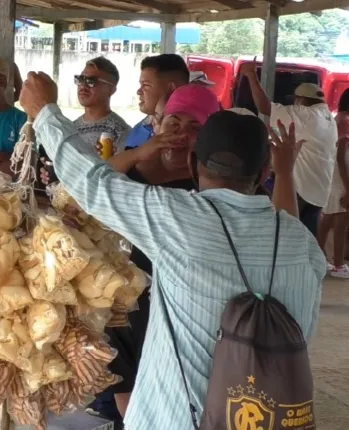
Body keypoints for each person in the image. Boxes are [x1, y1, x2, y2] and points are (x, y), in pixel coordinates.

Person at [20, 71, 323, 430]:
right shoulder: (302, 243)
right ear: (263, 173)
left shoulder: (176, 218)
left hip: (175, 421)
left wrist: (45, 112)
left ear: (195, 165)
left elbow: (91, 182)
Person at [90, 84, 220, 423]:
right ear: (157, 124)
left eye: (196, 128)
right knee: (127, 406)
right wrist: (138, 154)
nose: (181, 135)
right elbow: (90, 186)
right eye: (174, 124)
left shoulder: (207, 185)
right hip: (123, 313)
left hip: (183, 315)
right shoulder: (130, 172)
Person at [242, 64, 338, 237]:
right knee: (307, 236)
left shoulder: (307, 115)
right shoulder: (328, 117)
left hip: (301, 189)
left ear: (301, 101)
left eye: (295, 101)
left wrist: (251, 76)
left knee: (285, 234)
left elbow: (265, 107)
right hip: (320, 190)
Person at [125, 54, 190, 149]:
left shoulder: (188, 136)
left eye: (146, 85)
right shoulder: (140, 128)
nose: (138, 91)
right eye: (141, 85)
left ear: (171, 89)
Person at [72, 57, 131, 156]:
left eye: (91, 81)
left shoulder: (121, 132)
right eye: (81, 79)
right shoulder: (70, 128)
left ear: (111, 90)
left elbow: (117, 170)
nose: (83, 86)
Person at [318, 88, 349, 277]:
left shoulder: (338, 118)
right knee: (341, 219)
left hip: (335, 174)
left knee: (330, 217)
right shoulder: (345, 122)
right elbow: (340, 155)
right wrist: (348, 186)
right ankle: (337, 263)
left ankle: (322, 258)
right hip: (341, 175)